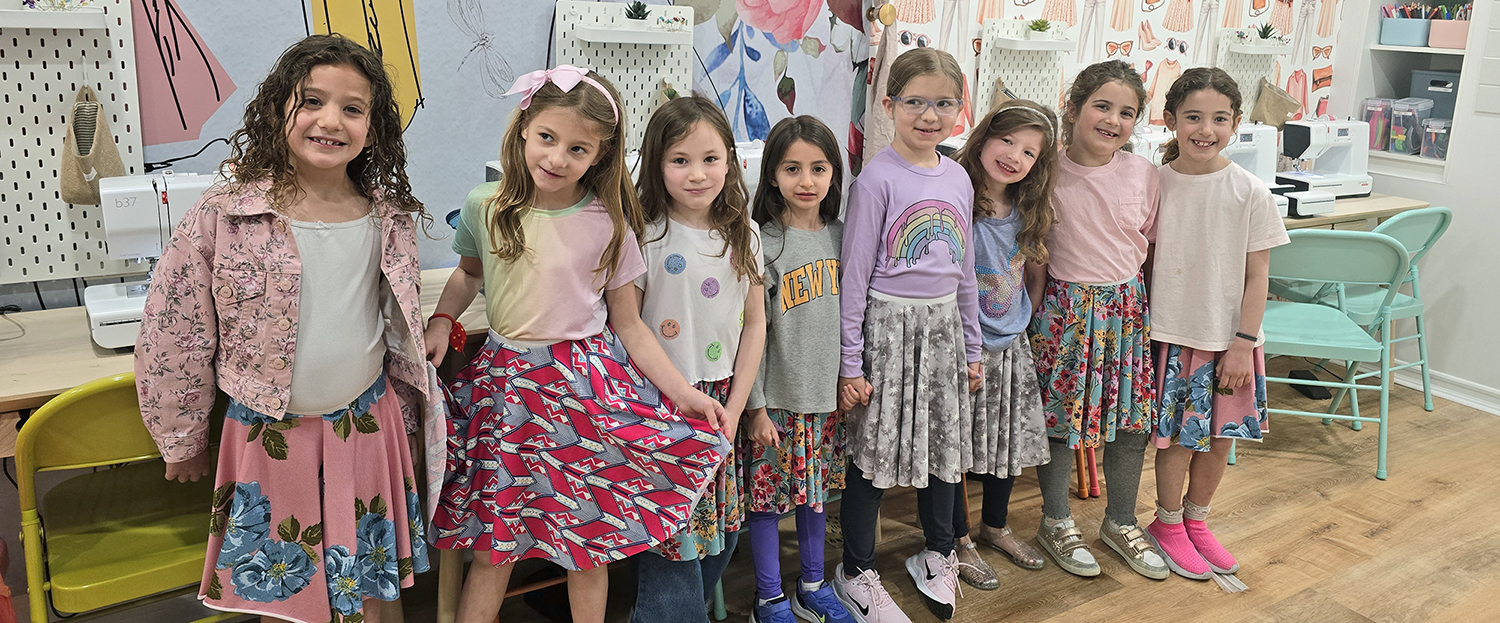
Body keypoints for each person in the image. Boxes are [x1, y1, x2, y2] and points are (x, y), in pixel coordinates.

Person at [136, 34, 435, 622]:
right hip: (268, 434)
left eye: (352, 108)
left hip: (366, 427)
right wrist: (180, 435)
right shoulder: (226, 214)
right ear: (279, 111)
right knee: (280, 588)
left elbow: (393, 321)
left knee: (370, 586)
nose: (332, 120)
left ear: (373, 130)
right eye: (312, 101)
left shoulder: (387, 218)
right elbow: (175, 329)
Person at [425, 67, 728, 623]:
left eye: (578, 148)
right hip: (507, 393)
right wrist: (443, 318)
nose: (558, 157)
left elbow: (630, 324)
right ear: (523, 128)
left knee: (587, 548)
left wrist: (683, 393)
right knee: (496, 546)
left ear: (600, 155)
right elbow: (469, 274)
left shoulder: (608, 221)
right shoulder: (485, 205)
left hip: (586, 390)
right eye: (548, 137)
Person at [834, 47, 982, 623]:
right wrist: (852, 364)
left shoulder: (960, 178)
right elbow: (854, 279)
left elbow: (964, 272)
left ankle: (938, 553)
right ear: (890, 106)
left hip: (944, 331)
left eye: (943, 103)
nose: (929, 114)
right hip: (888, 331)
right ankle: (856, 569)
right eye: (915, 102)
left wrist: (971, 348)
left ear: (959, 110)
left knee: (943, 448)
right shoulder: (875, 180)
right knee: (873, 454)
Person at [1026, 59, 1169, 581]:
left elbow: (1148, 245)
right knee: (1060, 421)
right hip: (1065, 312)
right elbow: (1036, 245)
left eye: (1126, 112)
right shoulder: (1046, 171)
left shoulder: (1144, 174)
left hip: (1126, 312)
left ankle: (1121, 521)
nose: (1112, 120)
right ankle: (1056, 520)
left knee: (1131, 422)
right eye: (1102, 106)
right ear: (1074, 108)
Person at [1144, 67, 1288, 580]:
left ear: (1236, 122)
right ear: (1171, 121)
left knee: (1221, 436)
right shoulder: (1154, 182)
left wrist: (1242, 344)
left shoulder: (1249, 190)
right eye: (1193, 117)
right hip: (1175, 333)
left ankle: (1197, 522)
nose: (1206, 129)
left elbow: (1258, 275)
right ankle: (1166, 524)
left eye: (1219, 119)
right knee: (1178, 439)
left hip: (1232, 339)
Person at [628, 95, 766, 623]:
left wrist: (737, 405)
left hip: (721, 404)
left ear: (729, 160)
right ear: (657, 164)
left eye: (710, 158)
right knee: (672, 542)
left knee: (723, 531)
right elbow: (629, 325)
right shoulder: (643, 234)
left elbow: (754, 324)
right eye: (679, 160)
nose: (696, 174)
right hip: (661, 402)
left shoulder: (744, 233)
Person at [743, 115, 855, 623]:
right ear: (772, 175)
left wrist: (851, 375)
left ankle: (813, 583)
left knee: (815, 498)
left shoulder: (842, 236)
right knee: (766, 503)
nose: (806, 181)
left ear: (834, 174)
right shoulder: (761, 241)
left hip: (825, 401)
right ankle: (768, 596)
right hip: (776, 403)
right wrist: (755, 407)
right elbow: (753, 334)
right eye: (792, 169)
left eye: (818, 168)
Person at [948, 100, 1060, 589]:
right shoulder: (956, 195)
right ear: (984, 138)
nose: (1015, 156)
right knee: (954, 446)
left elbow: (1036, 272)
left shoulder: (1031, 210)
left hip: (1009, 346)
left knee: (1004, 441)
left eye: (1030, 152)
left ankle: (995, 526)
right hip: (959, 345)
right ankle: (958, 539)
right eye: (1008, 141)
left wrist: (1023, 317)